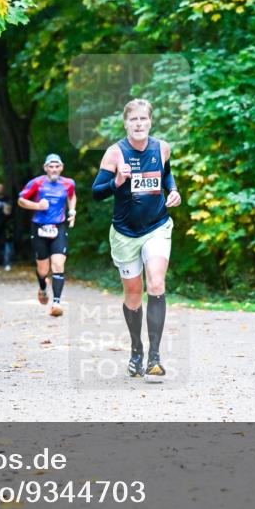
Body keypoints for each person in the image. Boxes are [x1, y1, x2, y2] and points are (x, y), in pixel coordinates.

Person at [91, 99, 181, 379]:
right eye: (134, 120)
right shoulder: (115, 153)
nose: (139, 124)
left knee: (156, 282)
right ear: (126, 123)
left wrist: (174, 191)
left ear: (150, 122)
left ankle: (154, 356)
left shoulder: (162, 148)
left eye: (143, 119)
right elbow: (96, 192)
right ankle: (136, 350)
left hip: (157, 226)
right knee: (133, 294)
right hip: (125, 233)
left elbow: (166, 176)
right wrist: (116, 182)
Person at [18, 154, 76, 317]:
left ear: (61, 167)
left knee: (58, 265)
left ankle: (56, 303)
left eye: (57, 166)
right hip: (39, 228)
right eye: (51, 167)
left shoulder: (68, 183)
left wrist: (72, 210)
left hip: (58, 227)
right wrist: (37, 205)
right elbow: (21, 200)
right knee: (43, 270)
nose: (54, 169)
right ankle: (43, 287)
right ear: (45, 168)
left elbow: (72, 195)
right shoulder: (36, 183)